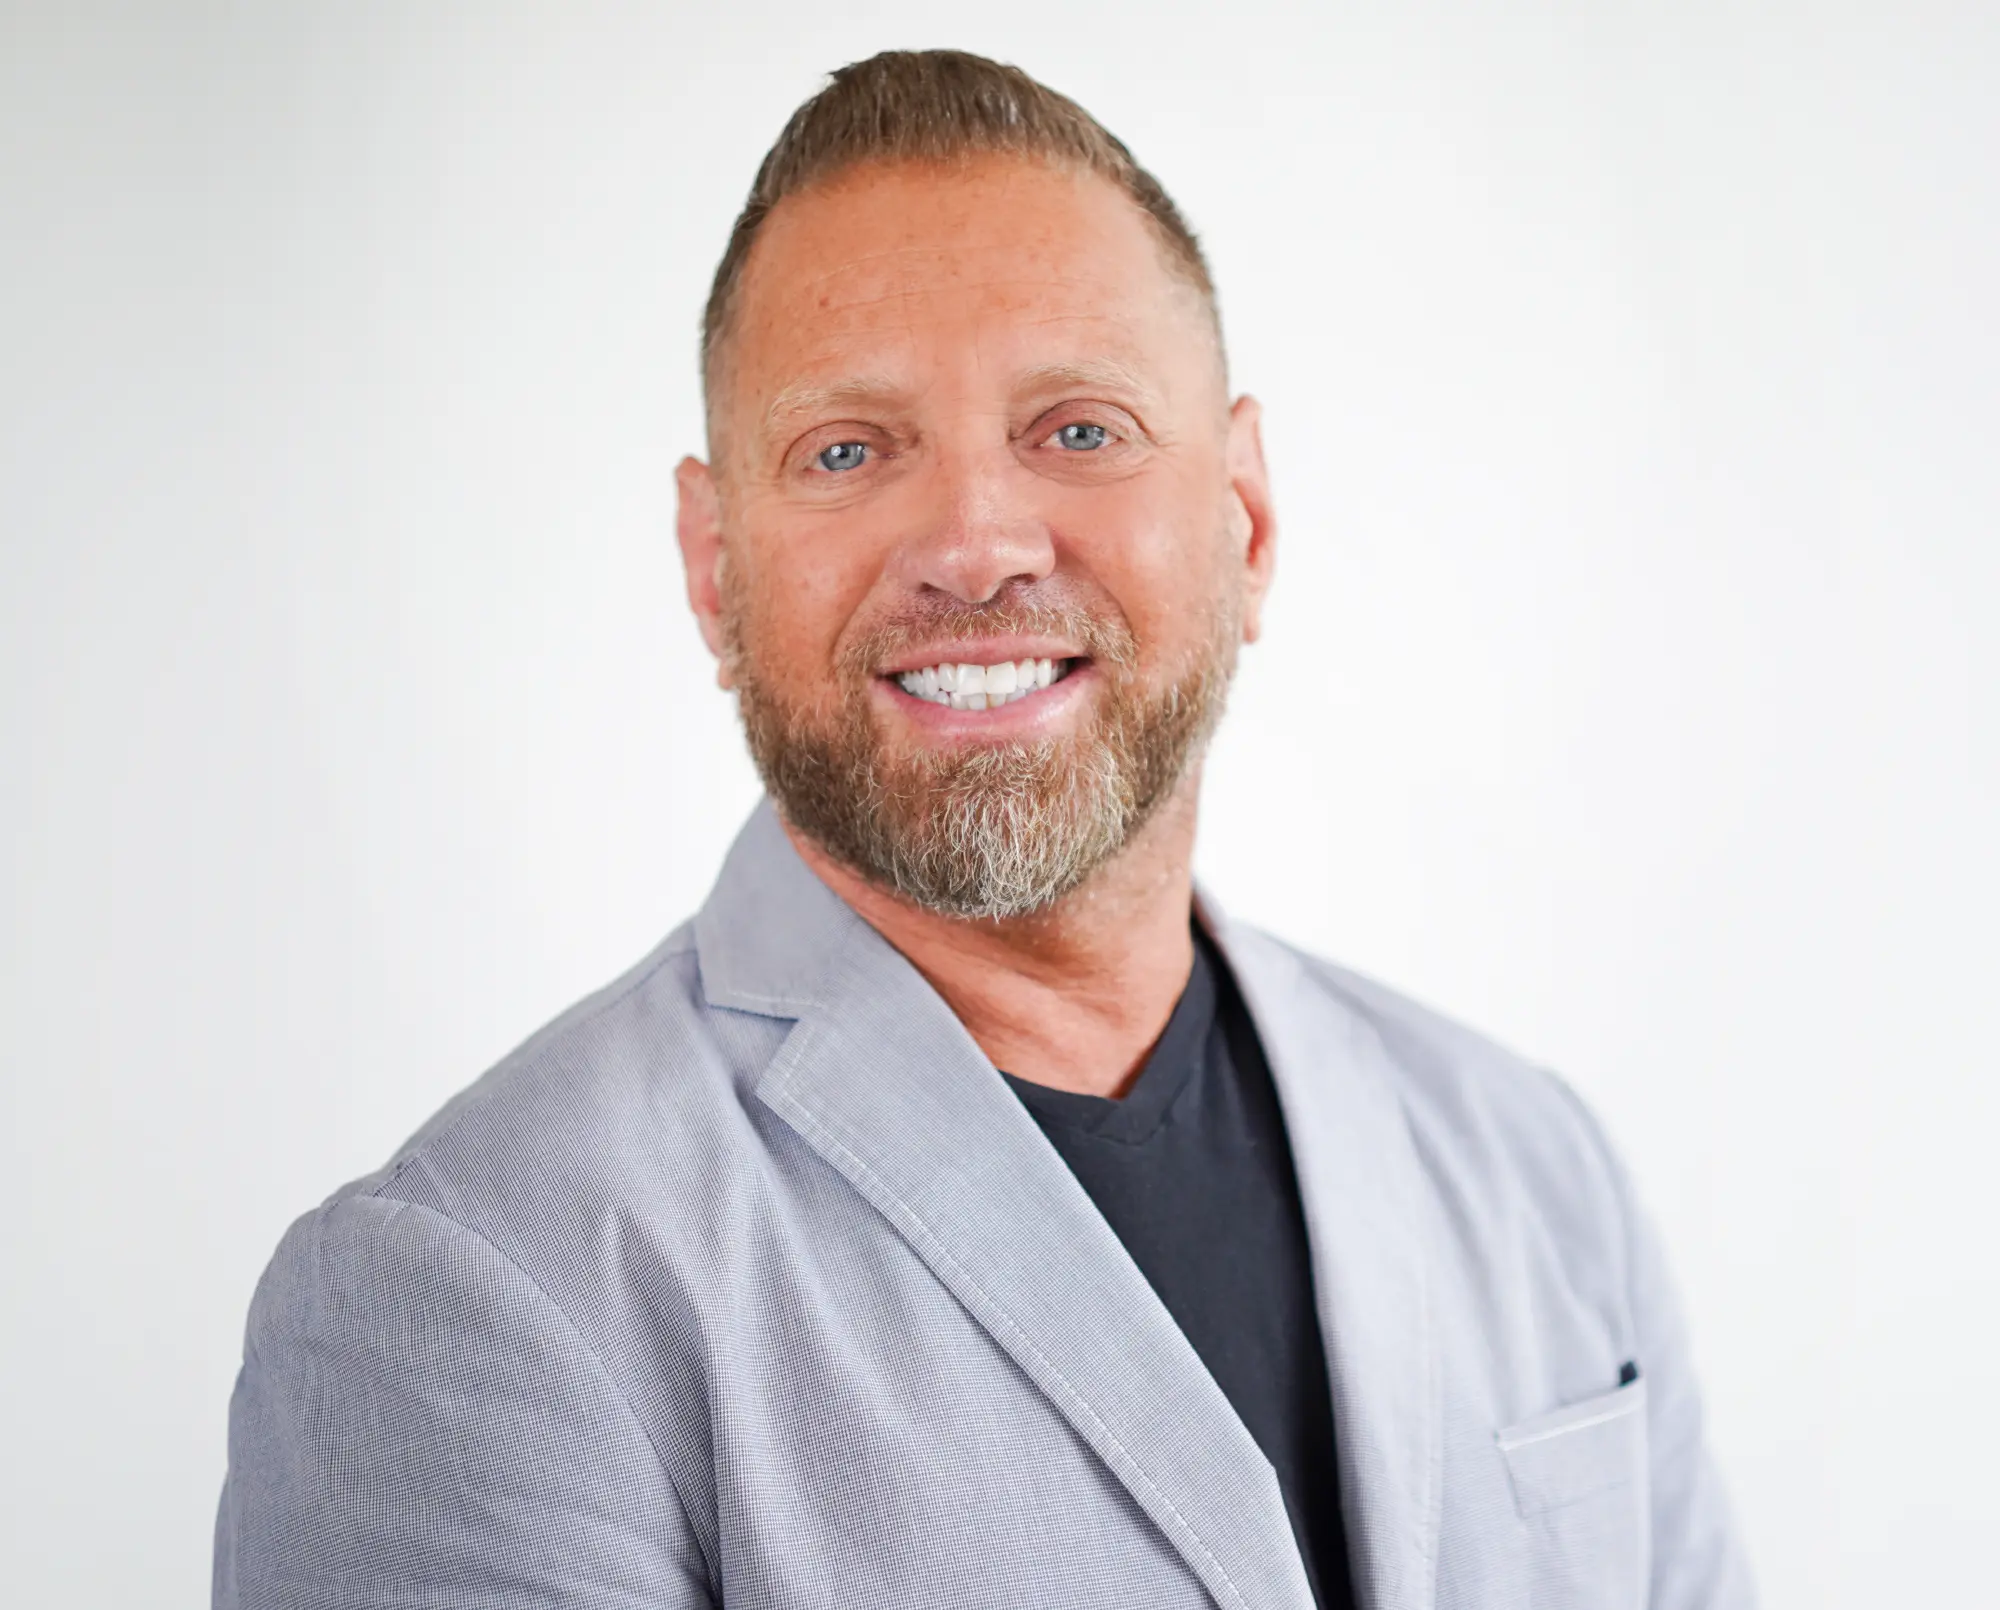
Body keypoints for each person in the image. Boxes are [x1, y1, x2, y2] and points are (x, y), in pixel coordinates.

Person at [215, 49, 1756, 1610]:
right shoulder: (473, 1287)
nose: (973, 545)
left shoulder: (1540, 1167)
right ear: (713, 562)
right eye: (846, 450)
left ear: (1246, 518)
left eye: (1080, 430)